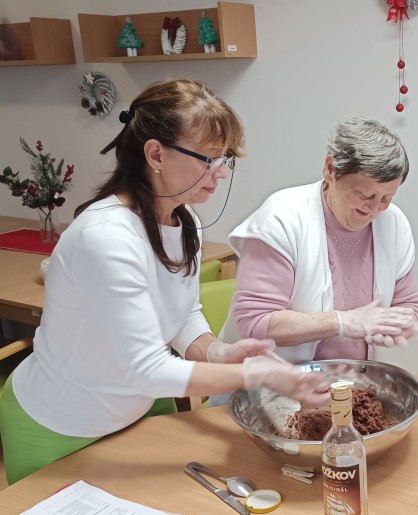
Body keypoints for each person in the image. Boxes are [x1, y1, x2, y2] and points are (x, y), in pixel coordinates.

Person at [0, 78, 327, 485]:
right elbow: (144, 368)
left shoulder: (183, 220)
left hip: (141, 408)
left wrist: (217, 351)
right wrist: (257, 375)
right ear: (155, 154)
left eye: (226, 159)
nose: (221, 173)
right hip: (62, 423)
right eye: (209, 158)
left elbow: (182, 315)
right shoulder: (106, 237)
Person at [209, 118, 418, 406]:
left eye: (387, 197)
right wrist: (344, 322)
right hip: (261, 394)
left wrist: (400, 323)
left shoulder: (393, 223)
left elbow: (409, 304)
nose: (375, 209)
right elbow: (256, 323)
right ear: (331, 168)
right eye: (365, 194)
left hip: (345, 391)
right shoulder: (281, 219)